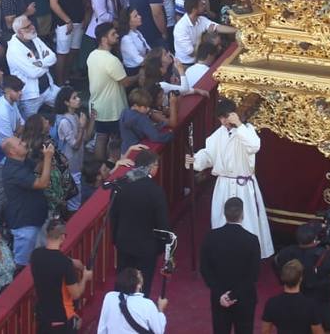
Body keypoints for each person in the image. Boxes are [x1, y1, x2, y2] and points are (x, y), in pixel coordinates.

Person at [187, 98, 274, 258]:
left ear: (234, 114)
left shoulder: (246, 130)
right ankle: (223, 254)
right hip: (224, 185)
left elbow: (254, 146)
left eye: (226, 117)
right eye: (221, 118)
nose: (224, 121)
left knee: (247, 222)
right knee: (222, 220)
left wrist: (239, 125)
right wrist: (195, 160)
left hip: (243, 186)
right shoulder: (218, 135)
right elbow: (208, 154)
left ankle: (248, 255)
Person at [110, 150, 170, 296]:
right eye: (156, 165)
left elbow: (113, 215)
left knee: (122, 284)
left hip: (124, 242)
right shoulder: (155, 191)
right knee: (142, 286)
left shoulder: (120, 185)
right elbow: (162, 224)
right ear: (150, 167)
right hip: (147, 247)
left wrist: (116, 238)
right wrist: (162, 248)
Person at [199, 196, 260, 334]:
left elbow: (205, 269)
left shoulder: (211, 237)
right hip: (245, 298)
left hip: (220, 298)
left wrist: (221, 293)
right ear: (242, 215)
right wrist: (235, 294)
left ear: (224, 214)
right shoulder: (252, 240)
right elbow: (254, 274)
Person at [273, 223, 330, 333]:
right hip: (320, 302)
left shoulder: (286, 252)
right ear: (315, 239)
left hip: (294, 302)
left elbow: (276, 262)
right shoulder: (324, 255)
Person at [1, 134, 54, 267]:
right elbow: (42, 183)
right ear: (12, 151)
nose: (24, 143)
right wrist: (48, 158)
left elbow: (37, 169)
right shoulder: (13, 170)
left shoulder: (22, 161)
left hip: (37, 218)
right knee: (23, 265)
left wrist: (44, 155)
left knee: (40, 259)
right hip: (25, 225)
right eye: (19, 143)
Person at [31, 221, 91, 334]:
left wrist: (71, 261)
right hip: (62, 320)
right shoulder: (64, 264)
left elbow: (51, 257)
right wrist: (85, 278)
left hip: (43, 318)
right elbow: (76, 293)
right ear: (63, 237)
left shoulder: (35, 255)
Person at [96, 267, 167, 334]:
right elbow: (159, 331)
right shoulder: (147, 304)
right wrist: (160, 310)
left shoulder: (110, 297)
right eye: (140, 275)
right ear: (138, 285)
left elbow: (102, 328)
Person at [261, 259, 324, 334]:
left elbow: (265, 331)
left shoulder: (271, 303)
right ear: (300, 279)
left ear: (282, 277)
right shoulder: (310, 305)